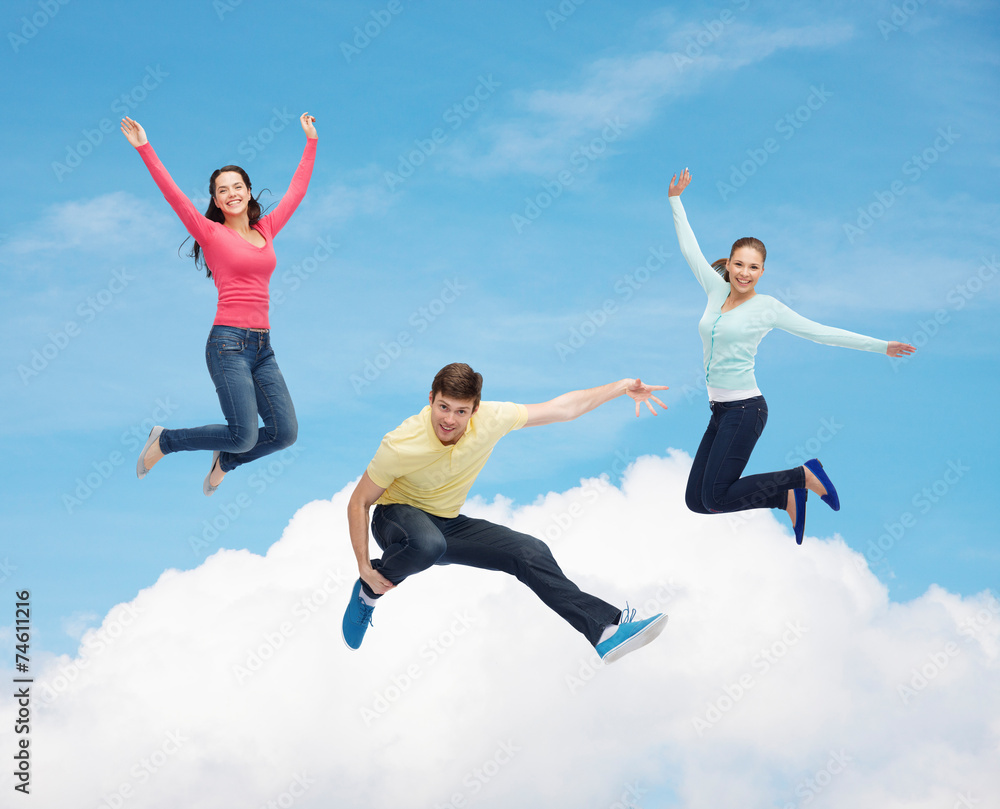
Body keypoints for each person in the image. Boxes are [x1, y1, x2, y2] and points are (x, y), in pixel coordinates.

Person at [342, 363, 670, 664]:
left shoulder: (492, 418)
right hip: (395, 517)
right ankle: (369, 590)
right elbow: (359, 503)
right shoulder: (401, 443)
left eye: (461, 411)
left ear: (475, 410)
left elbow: (563, 409)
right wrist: (363, 567)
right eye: (442, 407)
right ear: (431, 399)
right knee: (427, 544)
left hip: (446, 523)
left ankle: (604, 631)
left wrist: (623, 386)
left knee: (530, 552)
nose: (449, 420)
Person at [667, 168, 915, 543]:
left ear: (762, 271)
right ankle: (783, 496)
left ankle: (802, 475)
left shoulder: (768, 308)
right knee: (697, 501)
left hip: (746, 410)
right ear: (729, 264)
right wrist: (675, 200)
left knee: (716, 495)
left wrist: (881, 345)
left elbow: (821, 333)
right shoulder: (715, 291)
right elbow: (690, 249)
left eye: (753, 267)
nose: (744, 273)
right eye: (738, 265)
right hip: (719, 412)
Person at [121, 112, 318, 495]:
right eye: (222, 190)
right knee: (242, 434)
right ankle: (165, 440)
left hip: (263, 347)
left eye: (237, 186)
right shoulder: (210, 233)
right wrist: (145, 148)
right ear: (215, 199)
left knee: (284, 433)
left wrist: (310, 141)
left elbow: (297, 192)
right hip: (227, 344)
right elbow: (173, 195)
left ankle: (225, 460)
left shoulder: (267, 229)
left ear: (248, 191)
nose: (231, 193)